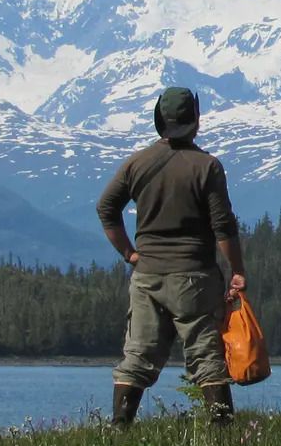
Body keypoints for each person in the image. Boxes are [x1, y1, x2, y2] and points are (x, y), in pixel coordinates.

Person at [96, 86, 248, 426]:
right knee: (207, 357)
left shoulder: (137, 163)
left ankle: (119, 432)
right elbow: (223, 226)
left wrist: (129, 254)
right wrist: (236, 270)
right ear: (195, 120)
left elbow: (106, 208)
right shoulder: (207, 166)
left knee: (137, 357)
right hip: (195, 277)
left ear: (158, 121)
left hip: (147, 275)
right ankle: (223, 435)